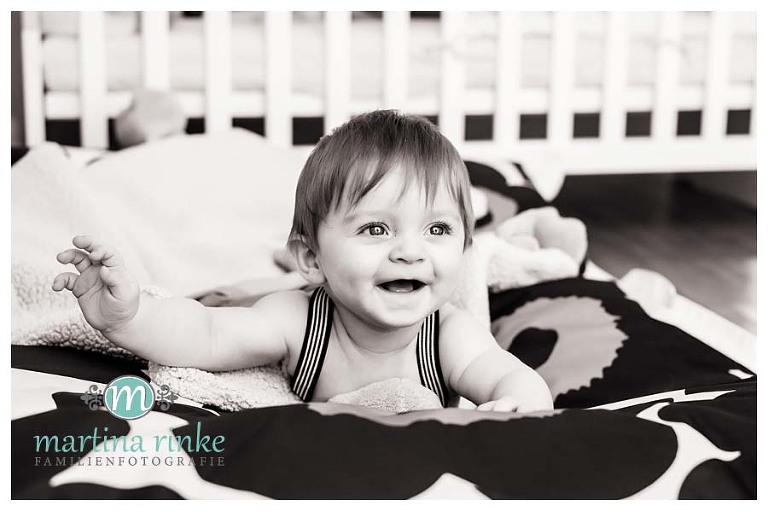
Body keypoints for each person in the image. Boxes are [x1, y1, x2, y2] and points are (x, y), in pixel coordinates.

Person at [52, 110, 553, 413]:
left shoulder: (448, 333)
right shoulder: (298, 320)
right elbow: (207, 334)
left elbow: (509, 377)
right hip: (272, 295)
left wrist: (521, 405)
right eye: (376, 229)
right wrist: (130, 315)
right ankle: (157, 135)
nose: (410, 250)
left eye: (437, 230)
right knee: (231, 297)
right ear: (313, 258)